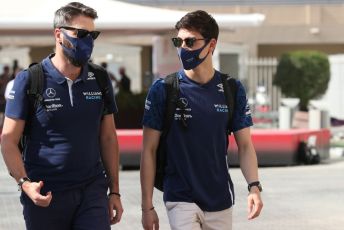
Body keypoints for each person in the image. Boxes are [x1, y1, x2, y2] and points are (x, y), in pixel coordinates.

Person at [0, 2, 123, 230]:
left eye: (92, 34)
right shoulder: (30, 79)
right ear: (59, 34)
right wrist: (25, 184)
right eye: (81, 33)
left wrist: (114, 190)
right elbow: (8, 140)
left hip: (92, 191)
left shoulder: (100, 78)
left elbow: (108, 137)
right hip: (46, 194)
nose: (87, 40)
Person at [140, 10, 263, 230]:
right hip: (180, 196)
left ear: (211, 44)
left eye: (190, 41)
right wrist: (147, 206)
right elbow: (148, 150)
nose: (183, 48)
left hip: (220, 199)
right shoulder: (163, 89)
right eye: (178, 41)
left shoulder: (231, 89)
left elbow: (245, 145)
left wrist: (254, 186)